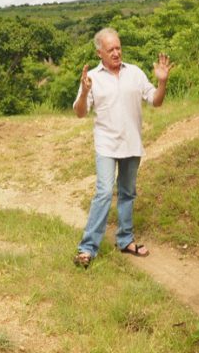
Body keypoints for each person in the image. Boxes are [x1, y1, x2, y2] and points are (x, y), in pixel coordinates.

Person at [72, 27, 172, 268]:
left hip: (132, 143)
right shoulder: (92, 78)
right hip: (106, 144)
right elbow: (80, 113)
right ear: (100, 53)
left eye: (118, 47)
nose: (116, 53)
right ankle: (87, 248)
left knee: (127, 193)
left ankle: (125, 240)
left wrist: (162, 82)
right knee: (105, 192)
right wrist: (85, 93)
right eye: (110, 49)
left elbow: (155, 102)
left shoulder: (135, 73)